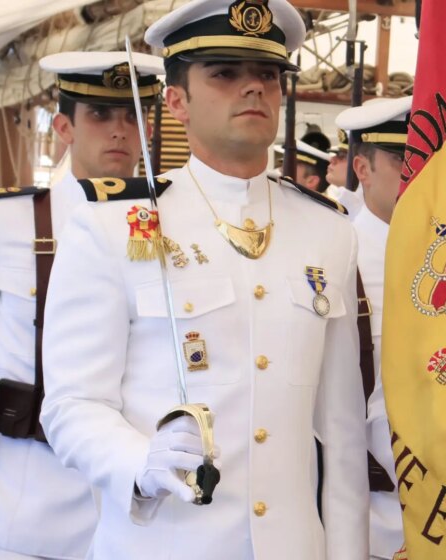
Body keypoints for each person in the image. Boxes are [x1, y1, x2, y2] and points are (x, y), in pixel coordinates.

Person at [40, 1, 369, 558]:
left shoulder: (327, 231)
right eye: (224, 73)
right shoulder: (109, 225)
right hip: (164, 542)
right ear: (176, 102)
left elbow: (342, 435)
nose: (253, 89)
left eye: (267, 74)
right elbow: (71, 403)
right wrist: (138, 462)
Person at [0, 50, 163, 560]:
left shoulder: (177, 230)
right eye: (99, 115)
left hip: (141, 505)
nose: (119, 131)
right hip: (31, 501)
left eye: (132, 116)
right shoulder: (11, 224)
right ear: (65, 127)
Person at [335, 95, 412, 560]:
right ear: (362, 169)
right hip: (372, 517)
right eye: (403, 159)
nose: (418, 171)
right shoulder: (341, 258)